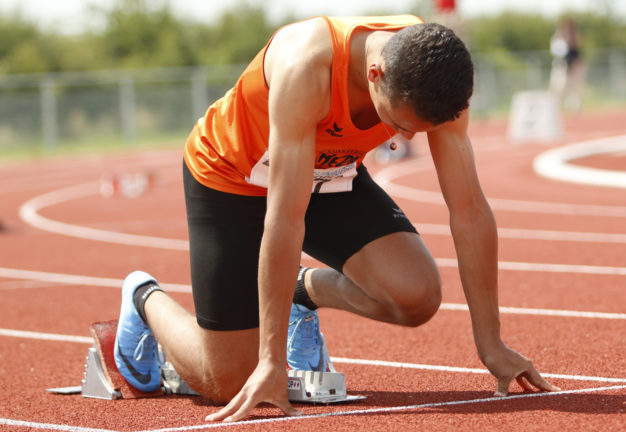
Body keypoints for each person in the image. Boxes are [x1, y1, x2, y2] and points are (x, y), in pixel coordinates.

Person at [113, 15, 559, 423]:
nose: (403, 138)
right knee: (230, 381)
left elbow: (470, 211)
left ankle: (300, 293)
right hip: (233, 177)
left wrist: (491, 343)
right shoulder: (306, 66)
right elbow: (285, 219)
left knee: (416, 296)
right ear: (375, 74)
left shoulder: (436, 76)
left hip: (329, 172)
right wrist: (270, 362)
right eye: (399, 123)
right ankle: (144, 298)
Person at [549, 17, 586, 111]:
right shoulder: (558, 39)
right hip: (562, 65)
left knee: (575, 88)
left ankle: (574, 106)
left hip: (574, 66)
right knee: (559, 87)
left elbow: (577, 49)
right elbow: (557, 51)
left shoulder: (574, 38)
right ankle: (555, 106)